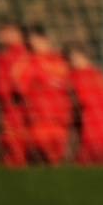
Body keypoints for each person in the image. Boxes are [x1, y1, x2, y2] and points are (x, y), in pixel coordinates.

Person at [20, 26, 72, 164]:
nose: (32, 44)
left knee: (55, 164)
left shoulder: (61, 61)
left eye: (35, 40)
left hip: (60, 123)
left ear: (45, 40)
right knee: (40, 162)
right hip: (39, 122)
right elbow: (20, 87)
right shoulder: (30, 62)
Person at [65, 45, 103, 167]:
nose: (72, 61)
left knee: (86, 161)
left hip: (92, 124)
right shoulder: (98, 75)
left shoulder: (79, 76)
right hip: (102, 124)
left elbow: (79, 100)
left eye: (73, 58)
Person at [0, 22, 29, 166]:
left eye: (6, 31)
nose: (0, 34)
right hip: (7, 110)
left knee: (16, 152)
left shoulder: (21, 56)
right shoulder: (4, 57)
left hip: (16, 111)